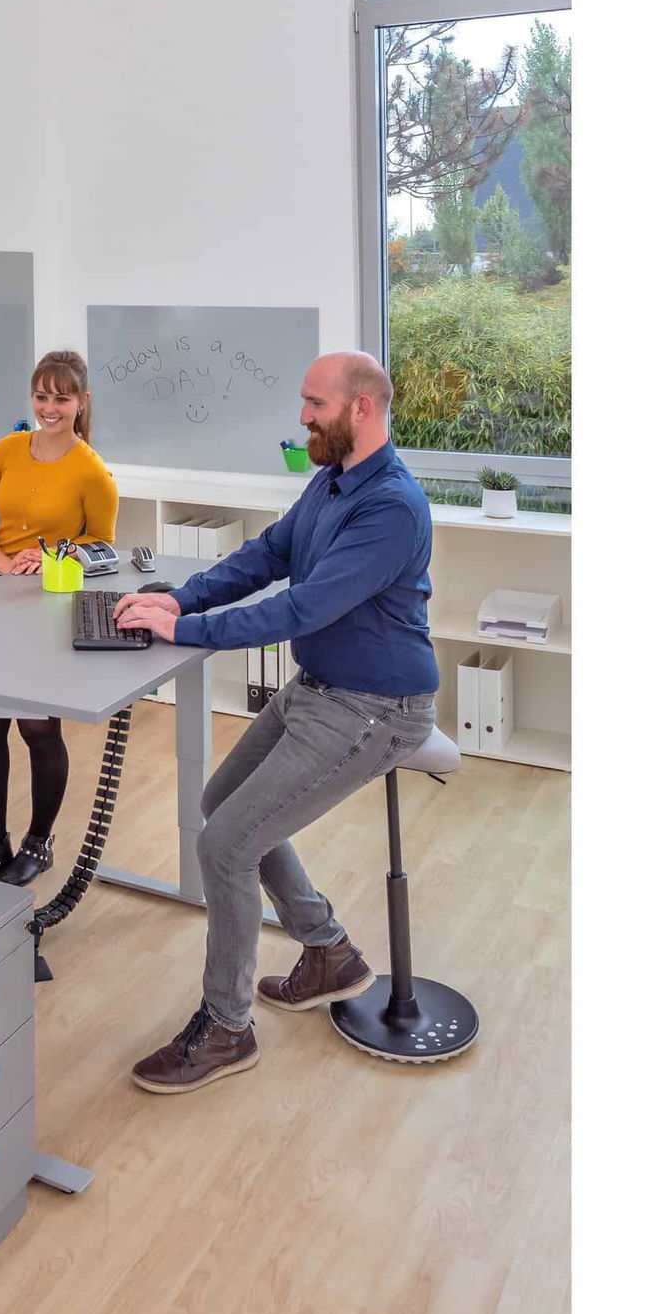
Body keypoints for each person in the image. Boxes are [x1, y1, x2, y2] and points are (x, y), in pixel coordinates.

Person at [112, 351, 439, 1094]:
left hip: (376, 707)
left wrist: (184, 633)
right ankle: (328, 951)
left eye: (315, 403)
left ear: (361, 408)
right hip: (321, 688)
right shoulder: (333, 479)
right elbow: (269, 554)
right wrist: (180, 599)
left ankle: (226, 1028)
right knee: (220, 804)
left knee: (226, 844)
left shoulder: (391, 506)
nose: (302, 417)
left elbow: (303, 607)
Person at [0, 350, 120, 885]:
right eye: (41, 396)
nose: (49, 408)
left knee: (36, 726)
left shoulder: (92, 471)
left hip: (46, 599)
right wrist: (3, 562)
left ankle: (39, 840)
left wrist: (55, 554)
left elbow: (102, 544)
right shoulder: (7, 449)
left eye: (61, 398)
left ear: (82, 402)